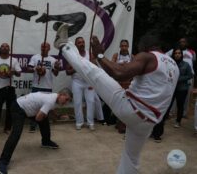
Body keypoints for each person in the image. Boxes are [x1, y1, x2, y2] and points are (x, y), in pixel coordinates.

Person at [54, 24, 179, 174]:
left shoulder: (148, 56)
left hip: (130, 109)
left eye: (139, 47)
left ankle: (63, 45)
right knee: (131, 158)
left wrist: (100, 55)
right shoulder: (174, 66)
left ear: (145, 45)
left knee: (95, 74)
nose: (137, 50)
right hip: (149, 122)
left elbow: (118, 73)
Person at [0, 88, 72, 174]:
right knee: (16, 134)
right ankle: (2, 161)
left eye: (68, 101)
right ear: (61, 94)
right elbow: (38, 118)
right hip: (18, 108)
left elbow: (50, 109)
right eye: (66, 99)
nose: (66, 102)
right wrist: (44, 114)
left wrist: (57, 116)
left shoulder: (55, 98)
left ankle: (46, 142)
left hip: (26, 108)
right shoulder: (50, 100)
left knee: (44, 120)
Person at [151, 48, 193, 142]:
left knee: (180, 105)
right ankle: (163, 120)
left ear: (182, 55)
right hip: (170, 89)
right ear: (173, 55)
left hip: (182, 89)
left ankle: (178, 121)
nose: (177, 55)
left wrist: (178, 78)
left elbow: (190, 75)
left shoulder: (186, 65)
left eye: (179, 53)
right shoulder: (170, 64)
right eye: (176, 53)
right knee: (167, 106)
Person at [27, 42, 61, 132]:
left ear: (49, 48)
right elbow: (28, 69)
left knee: (46, 107)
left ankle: (43, 124)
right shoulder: (35, 57)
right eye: (42, 46)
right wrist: (36, 69)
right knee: (34, 106)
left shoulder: (53, 60)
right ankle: (33, 124)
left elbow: (56, 74)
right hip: (36, 86)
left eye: (46, 46)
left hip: (47, 86)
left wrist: (57, 68)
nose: (44, 47)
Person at [0, 43, 22, 134]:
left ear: (9, 49)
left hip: (10, 87)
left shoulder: (14, 60)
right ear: (0, 49)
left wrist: (13, 72)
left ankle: (7, 128)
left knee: (10, 109)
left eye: (6, 46)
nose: (4, 47)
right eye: (2, 46)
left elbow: (19, 73)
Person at [66, 37, 96, 130]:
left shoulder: (89, 54)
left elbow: (95, 69)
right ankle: (79, 122)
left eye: (83, 42)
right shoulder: (72, 55)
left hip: (88, 82)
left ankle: (90, 122)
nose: (82, 44)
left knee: (91, 101)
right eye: (79, 43)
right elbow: (68, 72)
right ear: (76, 45)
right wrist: (77, 68)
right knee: (77, 102)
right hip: (77, 82)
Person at [166, 37, 196, 117]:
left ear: (187, 43)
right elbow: (165, 57)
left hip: (188, 76)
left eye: (184, 42)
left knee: (185, 96)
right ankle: (171, 113)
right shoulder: (173, 50)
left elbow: (193, 62)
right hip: (175, 76)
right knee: (173, 95)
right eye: (180, 42)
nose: (182, 43)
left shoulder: (191, 52)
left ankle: (183, 113)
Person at [112, 39, 134, 133]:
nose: (124, 47)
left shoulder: (132, 57)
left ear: (128, 46)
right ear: (120, 47)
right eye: (122, 46)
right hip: (118, 83)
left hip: (128, 83)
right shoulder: (116, 56)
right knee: (118, 103)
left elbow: (135, 69)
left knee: (127, 104)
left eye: (126, 46)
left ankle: (124, 124)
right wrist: (120, 65)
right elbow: (111, 66)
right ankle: (119, 123)